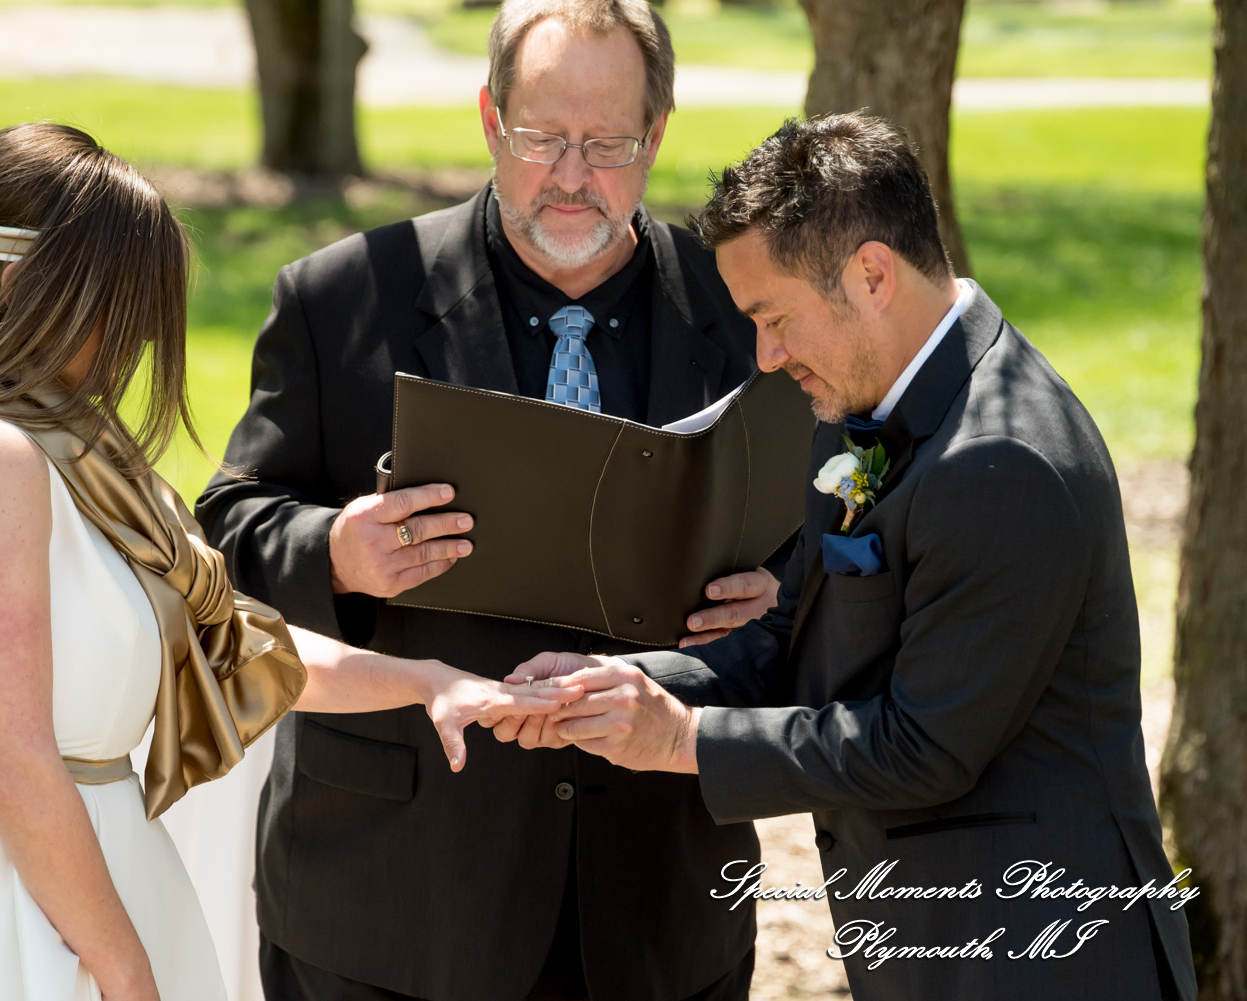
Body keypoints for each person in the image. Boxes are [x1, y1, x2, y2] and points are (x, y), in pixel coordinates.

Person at [0, 122, 578, 1001]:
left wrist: (426, 678)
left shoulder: (68, 453)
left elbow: (231, 646)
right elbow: (13, 762)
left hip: (76, 872)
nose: (131, 348)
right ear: (25, 287)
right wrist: (125, 968)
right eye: (118, 309)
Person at [497, 112, 1198, 1001]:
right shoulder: (862, 404)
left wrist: (681, 739)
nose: (765, 354)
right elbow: (797, 630)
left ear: (871, 274)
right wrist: (620, 685)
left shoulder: (1004, 459)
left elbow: (922, 746)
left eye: (775, 316)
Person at [192, 2, 801, 998]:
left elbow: (827, 524)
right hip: (394, 894)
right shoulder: (341, 295)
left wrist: (775, 592)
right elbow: (224, 538)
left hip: (658, 893)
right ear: (488, 120)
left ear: (656, 135)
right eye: (542, 138)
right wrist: (336, 551)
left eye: (606, 144)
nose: (570, 175)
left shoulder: (740, 306)